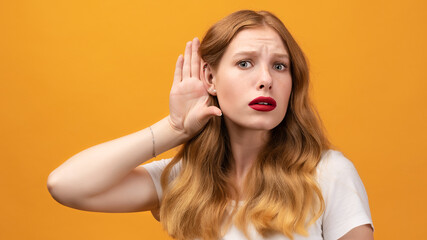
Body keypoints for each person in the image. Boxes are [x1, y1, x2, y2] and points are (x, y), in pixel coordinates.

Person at [47, 10, 374, 240]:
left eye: (279, 66)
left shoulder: (328, 173)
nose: (265, 80)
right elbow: (66, 184)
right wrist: (174, 129)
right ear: (210, 79)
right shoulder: (182, 179)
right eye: (245, 63)